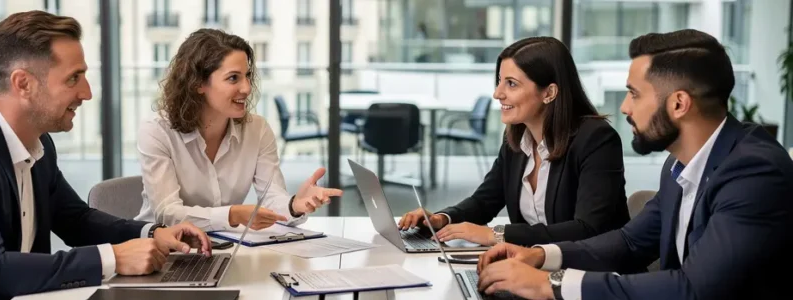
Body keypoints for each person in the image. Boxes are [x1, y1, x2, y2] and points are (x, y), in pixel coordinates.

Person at [0, 11, 212, 300]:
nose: (87, 92)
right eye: (73, 78)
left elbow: (76, 220)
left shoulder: (37, 140)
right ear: (23, 84)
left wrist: (152, 233)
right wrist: (113, 258)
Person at [475, 29, 793, 300]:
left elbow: (693, 289)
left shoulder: (754, 172)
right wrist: (540, 255)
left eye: (634, 94)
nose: (625, 107)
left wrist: (551, 285)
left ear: (679, 104)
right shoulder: (679, 165)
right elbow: (629, 242)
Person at [398, 36, 629, 247]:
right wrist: (441, 218)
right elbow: (484, 201)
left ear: (549, 93)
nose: (497, 93)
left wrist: (497, 234)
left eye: (511, 83)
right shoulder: (516, 140)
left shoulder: (597, 140)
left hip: (592, 272)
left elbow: (587, 229)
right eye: (500, 81)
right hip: (534, 266)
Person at [134, 28, 343, 232]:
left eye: (247, 76)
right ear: (198, 83)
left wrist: (294, 205)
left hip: (223, 245)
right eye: (233, 78)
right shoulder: (157, 131)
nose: (247, 88)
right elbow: (168, 214)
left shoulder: (257, 130)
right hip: (160, 247)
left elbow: (272, 197)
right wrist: (232, 215)